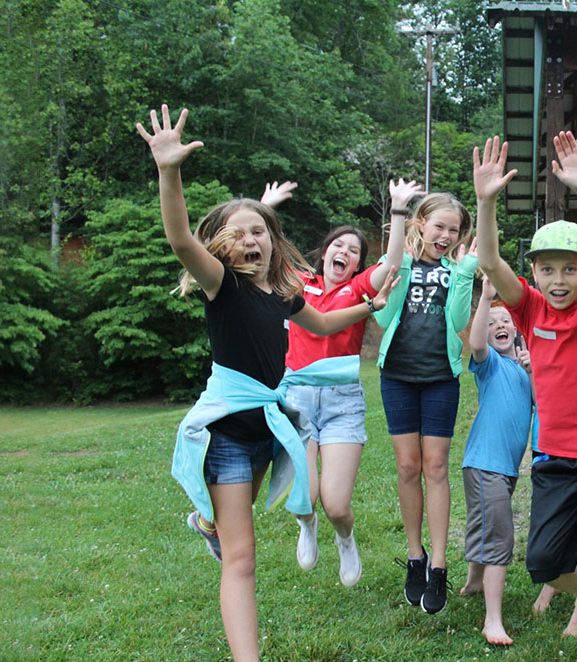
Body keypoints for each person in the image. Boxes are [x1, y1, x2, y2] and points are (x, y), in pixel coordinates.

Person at [136, 105, 396, 662]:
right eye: (239, 232)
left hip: (266, 432)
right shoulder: (221, 284)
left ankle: (205, 519)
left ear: (273, 241)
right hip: (227, 433)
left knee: (233, 526)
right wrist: (168, 169)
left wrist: (366, 308)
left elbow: (323, 324)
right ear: (221, 245)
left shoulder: (281, 295)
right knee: (243, 557)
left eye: (261, 230)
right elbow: (181, 239)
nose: (252, 239)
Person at [475, 132, 577, 656]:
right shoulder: (528, 309)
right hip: (556, 462)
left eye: (569, 268)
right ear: (534, 274)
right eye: (547, 269)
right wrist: (486, 202)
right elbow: (489, 261)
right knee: (544, 564)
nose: (559, 278)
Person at [282, 179, 421, 587]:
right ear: (324, 253)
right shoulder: (298, 283)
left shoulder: (357, 289)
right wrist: (266, 206)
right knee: (304, 499)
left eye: (353, 251)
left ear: (358, 264)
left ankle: (345, 538)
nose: (344, 252)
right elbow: (261, 255)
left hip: (342, 403)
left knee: (337, 504)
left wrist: (398, 210)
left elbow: (390, 266)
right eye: (338, 246)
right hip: (297, 398)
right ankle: (306, 526)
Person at [372, 187, 478, 615]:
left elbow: (457, 322)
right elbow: (380, 315)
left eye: (454, 230)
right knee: (407, 466)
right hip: (397, 376)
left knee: (435, 466)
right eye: (439, 226)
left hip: (439, 379)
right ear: (420, 223)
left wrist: (467, 272)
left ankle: (438, 565)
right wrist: (395, 261)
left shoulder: (458, 270)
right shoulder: (398, 264)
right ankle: (414, 556)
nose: (447, 235)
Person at [458, 276, 535, 645]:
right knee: (500, 534)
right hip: (486, 462)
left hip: (503, 467)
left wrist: (533, 366)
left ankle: (475, 580)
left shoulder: (521, 369)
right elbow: (474, 342)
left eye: (506, 322)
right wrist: (487, 298)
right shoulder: (488, 365)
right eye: (492, 324)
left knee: (486, 524)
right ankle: (492, 620)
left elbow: (543, 400)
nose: (499, 326)